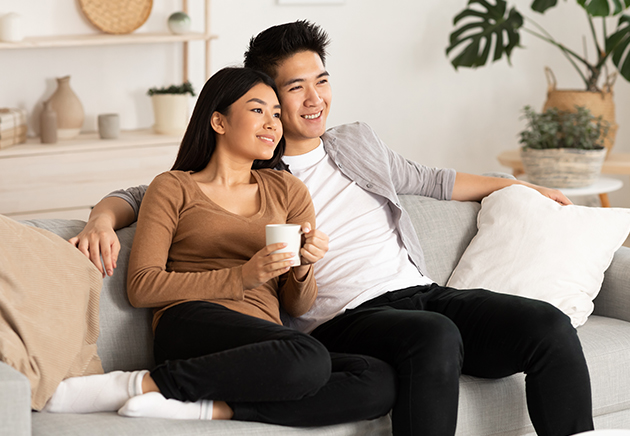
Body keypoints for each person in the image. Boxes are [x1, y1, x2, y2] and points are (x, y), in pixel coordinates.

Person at [70, 21, 594, 436]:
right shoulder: (257, 170)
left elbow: (432, 179)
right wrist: (100, 217)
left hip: (421, 292)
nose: (313, 99)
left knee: (546, 327)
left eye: (321, 81)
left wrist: (515, 186)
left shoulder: (356, 143)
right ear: (263, 97)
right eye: (292, 89)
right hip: (346, 319)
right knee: (433, 337)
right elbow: (151, 194)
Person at [43, 66, 397, 426]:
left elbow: (296, 304)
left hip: (265, 339)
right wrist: (242, 276)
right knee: (308, 357)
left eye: (276, 113)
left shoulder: (289, 191)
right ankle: (136, 384)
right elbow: (142, 286)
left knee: (378, 378)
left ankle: (207, 407)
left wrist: (303, 267)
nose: (273, 123)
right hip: (191, 322)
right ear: (219, 121)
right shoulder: (173, 187)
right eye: (258, 110)